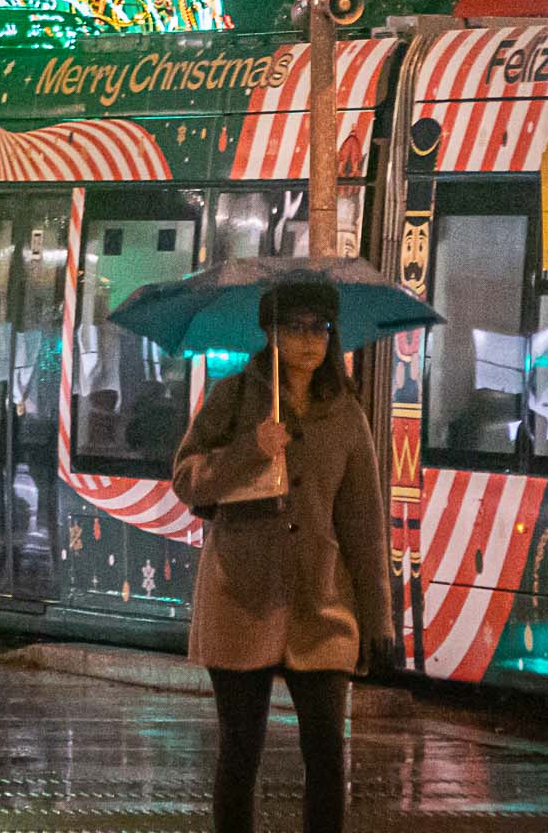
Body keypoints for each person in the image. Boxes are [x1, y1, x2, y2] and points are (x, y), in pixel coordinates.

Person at [169, 279, 390, 833]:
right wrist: (251, 448)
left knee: (326, 755)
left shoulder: (346, 415)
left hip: (322, 605)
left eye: (321, 327)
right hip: (240, 600)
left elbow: (364, 525)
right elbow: (187, 480)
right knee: (241, 753)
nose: (310, 340)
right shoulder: (234, 397)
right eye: (296, 327)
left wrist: (379, 619)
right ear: (269, 333)